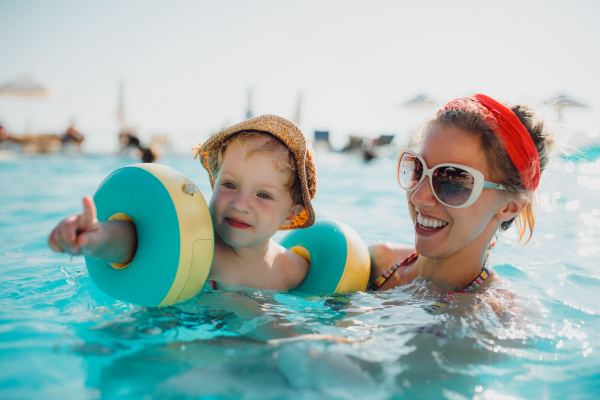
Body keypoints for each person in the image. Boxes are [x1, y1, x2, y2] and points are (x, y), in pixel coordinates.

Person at [48, 115, 318, 292]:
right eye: (230, 185)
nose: (240, 203)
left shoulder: (296, 268)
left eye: (263, 195)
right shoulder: (205, 249)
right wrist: (98, 238)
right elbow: (138, 241)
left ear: (290, 215)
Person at [368, 94, 555, 313]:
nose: (418, 196)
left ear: (510, 206)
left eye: (452, 180)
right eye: (418, 169)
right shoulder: (374, 262)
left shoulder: (502, 316)